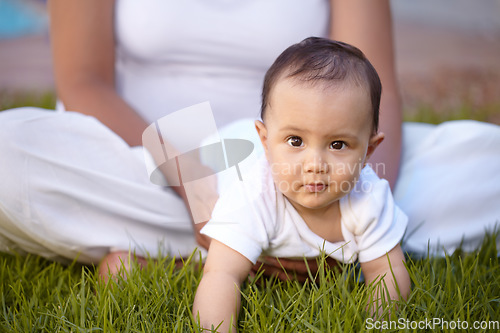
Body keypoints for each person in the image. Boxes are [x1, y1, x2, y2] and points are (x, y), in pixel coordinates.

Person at [0, 0, 405, 280]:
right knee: (8, 154)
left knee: (466, 159)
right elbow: (82, 82)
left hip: (307, 167)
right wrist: (194, 185)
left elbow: (372, 100)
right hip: (144, 163)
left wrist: (351, 205)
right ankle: (273, 243)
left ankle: (222, 252)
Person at [192, 37, 410, 332]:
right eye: (296, 141)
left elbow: (387, 272)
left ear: (368, 151)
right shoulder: (252, 197)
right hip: (225, 163)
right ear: (266, 141)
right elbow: (221, 274)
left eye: (337, 144)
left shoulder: (369, 197)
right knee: (192, 237)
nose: (314, 164)